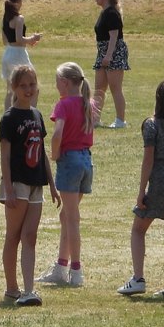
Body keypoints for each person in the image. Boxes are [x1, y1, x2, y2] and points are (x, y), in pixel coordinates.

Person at [117, 80, 164, 297]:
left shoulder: (151, 124)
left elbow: (148, 159)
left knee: (139, 229)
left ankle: (138, 278)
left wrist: (141, 192)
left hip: (160, 182)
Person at [0, 65, 59, 307]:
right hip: (17, 183)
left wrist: (52, 184)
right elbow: (4, 156)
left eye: (32, 84)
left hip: (36, 183)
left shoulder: (37, 115)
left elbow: (42, 152)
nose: (28, 89)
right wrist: (9, 189)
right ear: (14, 88)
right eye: (23, 85)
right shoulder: (9, 118)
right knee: (13, 235)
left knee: (30, 236)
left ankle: (29, 290)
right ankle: (12, 288)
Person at [36, 62, 96, 288]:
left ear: (64, 82)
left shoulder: (63, 104)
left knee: (72, 218)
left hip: (70, 161)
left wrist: (54, 154)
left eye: (56, 81)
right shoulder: (87, 103)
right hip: (86, 161)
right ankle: (61, 266)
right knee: (67, 215)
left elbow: (57, 133)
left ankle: (76, 269)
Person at [92, 0, 128, 128]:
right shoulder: (104, 13)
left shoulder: (112, 13)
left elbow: (114, 36)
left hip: (113, 51)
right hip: (102, 51)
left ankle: (120, 120)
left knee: (115, 87)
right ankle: (95, 119)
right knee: (99, 87)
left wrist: (108, 56)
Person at [1, 0, 43, 110]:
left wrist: (27, 41)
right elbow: (19, 39)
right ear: (18, 2)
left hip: (8, 53)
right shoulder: (19, 18)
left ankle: (8, 115)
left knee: (11, 89)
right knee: (34, 85)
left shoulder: (5, 19)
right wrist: (33, 38)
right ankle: (30, 113)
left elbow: (5, 41)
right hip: (18, 54)